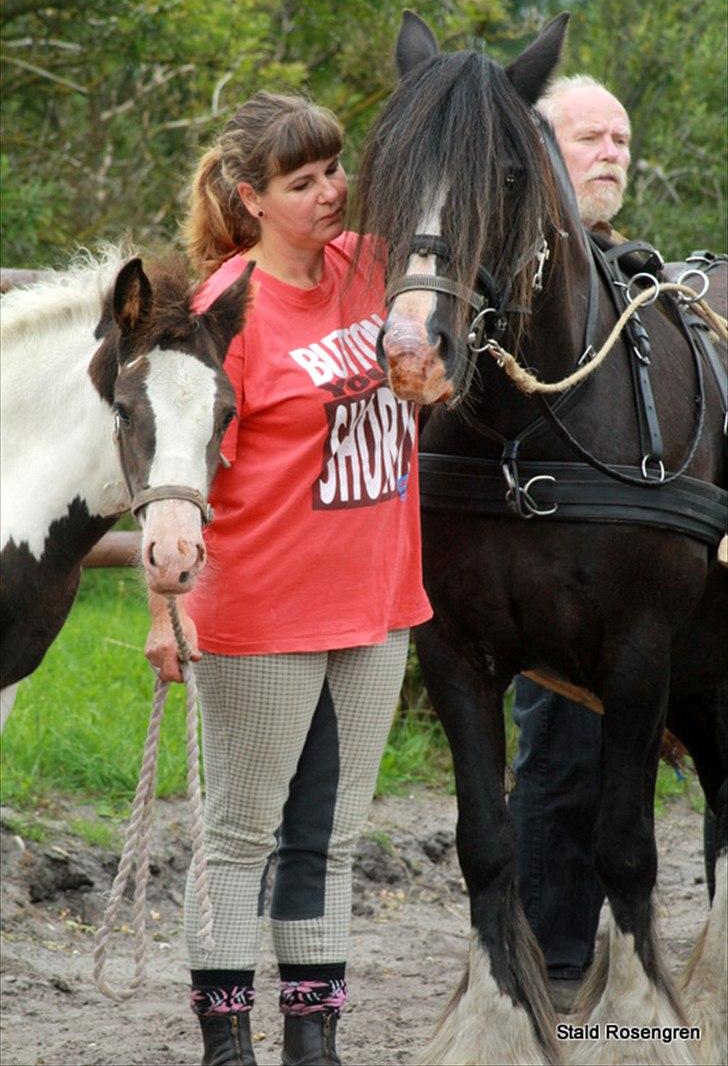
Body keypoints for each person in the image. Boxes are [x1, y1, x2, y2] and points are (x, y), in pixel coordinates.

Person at [144, 92, 432, 1066]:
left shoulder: (377, 269)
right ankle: (228, 1046)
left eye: (334, 171)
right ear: (249, 198)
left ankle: (313, 1041)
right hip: (262, 608)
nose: (329, 193)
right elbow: (171, 471)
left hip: (378, 602)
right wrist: (158, 615)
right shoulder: (221, 310)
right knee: (240, 833)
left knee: (332, 835)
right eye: (300, 182)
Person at [508, 75, 632, 1011]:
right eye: (589, 136)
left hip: (643, 566)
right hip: (538, 556)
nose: (612, 154)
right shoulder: (510, 280)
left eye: (622, 141)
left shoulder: (633, 274)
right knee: (559, 745)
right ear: (538, 150)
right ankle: (551, 957)